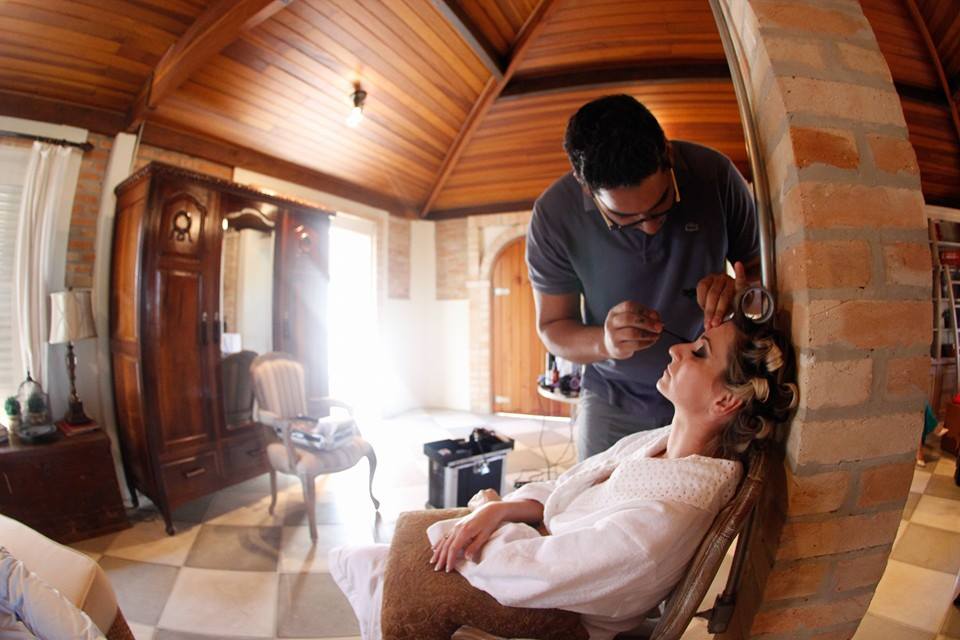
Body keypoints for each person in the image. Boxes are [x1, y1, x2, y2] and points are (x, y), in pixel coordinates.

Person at [330, 309, 797, 640]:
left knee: (378, 566)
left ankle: (379, 598)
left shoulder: (659, 522)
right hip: (543, 547)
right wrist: (503, 510)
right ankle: (377, 587)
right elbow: (569, 484)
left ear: (725, 400)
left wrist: (488, 512)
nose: (676, 349)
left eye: (699, 352)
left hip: (562, 609)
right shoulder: (657, 444)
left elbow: (535, 572)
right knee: (377, 554)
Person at [527, 94, 761, 460]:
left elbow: (769, 281)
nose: (651, 227)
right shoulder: (554, 216)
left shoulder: (715, 175)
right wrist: (605, 343)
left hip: (708, 401)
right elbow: (553, 328)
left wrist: (741, 294)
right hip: (612, 401)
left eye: (662, 204)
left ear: (668, 154)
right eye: (625, 220)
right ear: (585, 186)